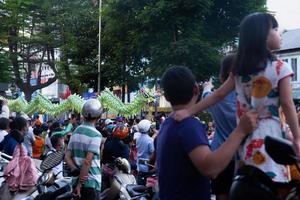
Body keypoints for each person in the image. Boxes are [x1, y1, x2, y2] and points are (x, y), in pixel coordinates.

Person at [174, 13, 300, 183]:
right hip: (273, 139)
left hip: (246, 141)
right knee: (272, 186)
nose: (279, 34)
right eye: (275, 29)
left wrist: (189, 111)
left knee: (249, 184)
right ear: (262, 35)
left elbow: (218, 94)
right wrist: (298, 138)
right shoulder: (281, 68)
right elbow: (287, 103)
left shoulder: (240, 71)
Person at [156, 66, 258, 200]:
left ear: (167, 97)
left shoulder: (166, 125)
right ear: (196, 90)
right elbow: (211, 169)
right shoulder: (188, 126)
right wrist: (240, 131)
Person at [202, 54, 237, 200]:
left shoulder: (217, 100)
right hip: (243, 156)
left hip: (221, 156)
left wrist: (207, 86)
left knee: (221, 194)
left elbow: (206, 96)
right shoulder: (249, 100)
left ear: (223, 78)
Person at [65, 99, 103, 200]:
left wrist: (75, 169)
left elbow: (67, 156)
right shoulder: (96, 135)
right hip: (91, 183)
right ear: (99, 116)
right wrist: (80, 185)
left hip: (75, 181)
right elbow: (87, 162)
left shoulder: (75, 132)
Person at [136, 119, 155, 185]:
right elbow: (153, 152)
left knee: (140, 182)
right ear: (148, 129)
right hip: (146, 165)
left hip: (139, 164)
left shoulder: (137, 138)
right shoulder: (149, 140)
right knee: (145, 183)